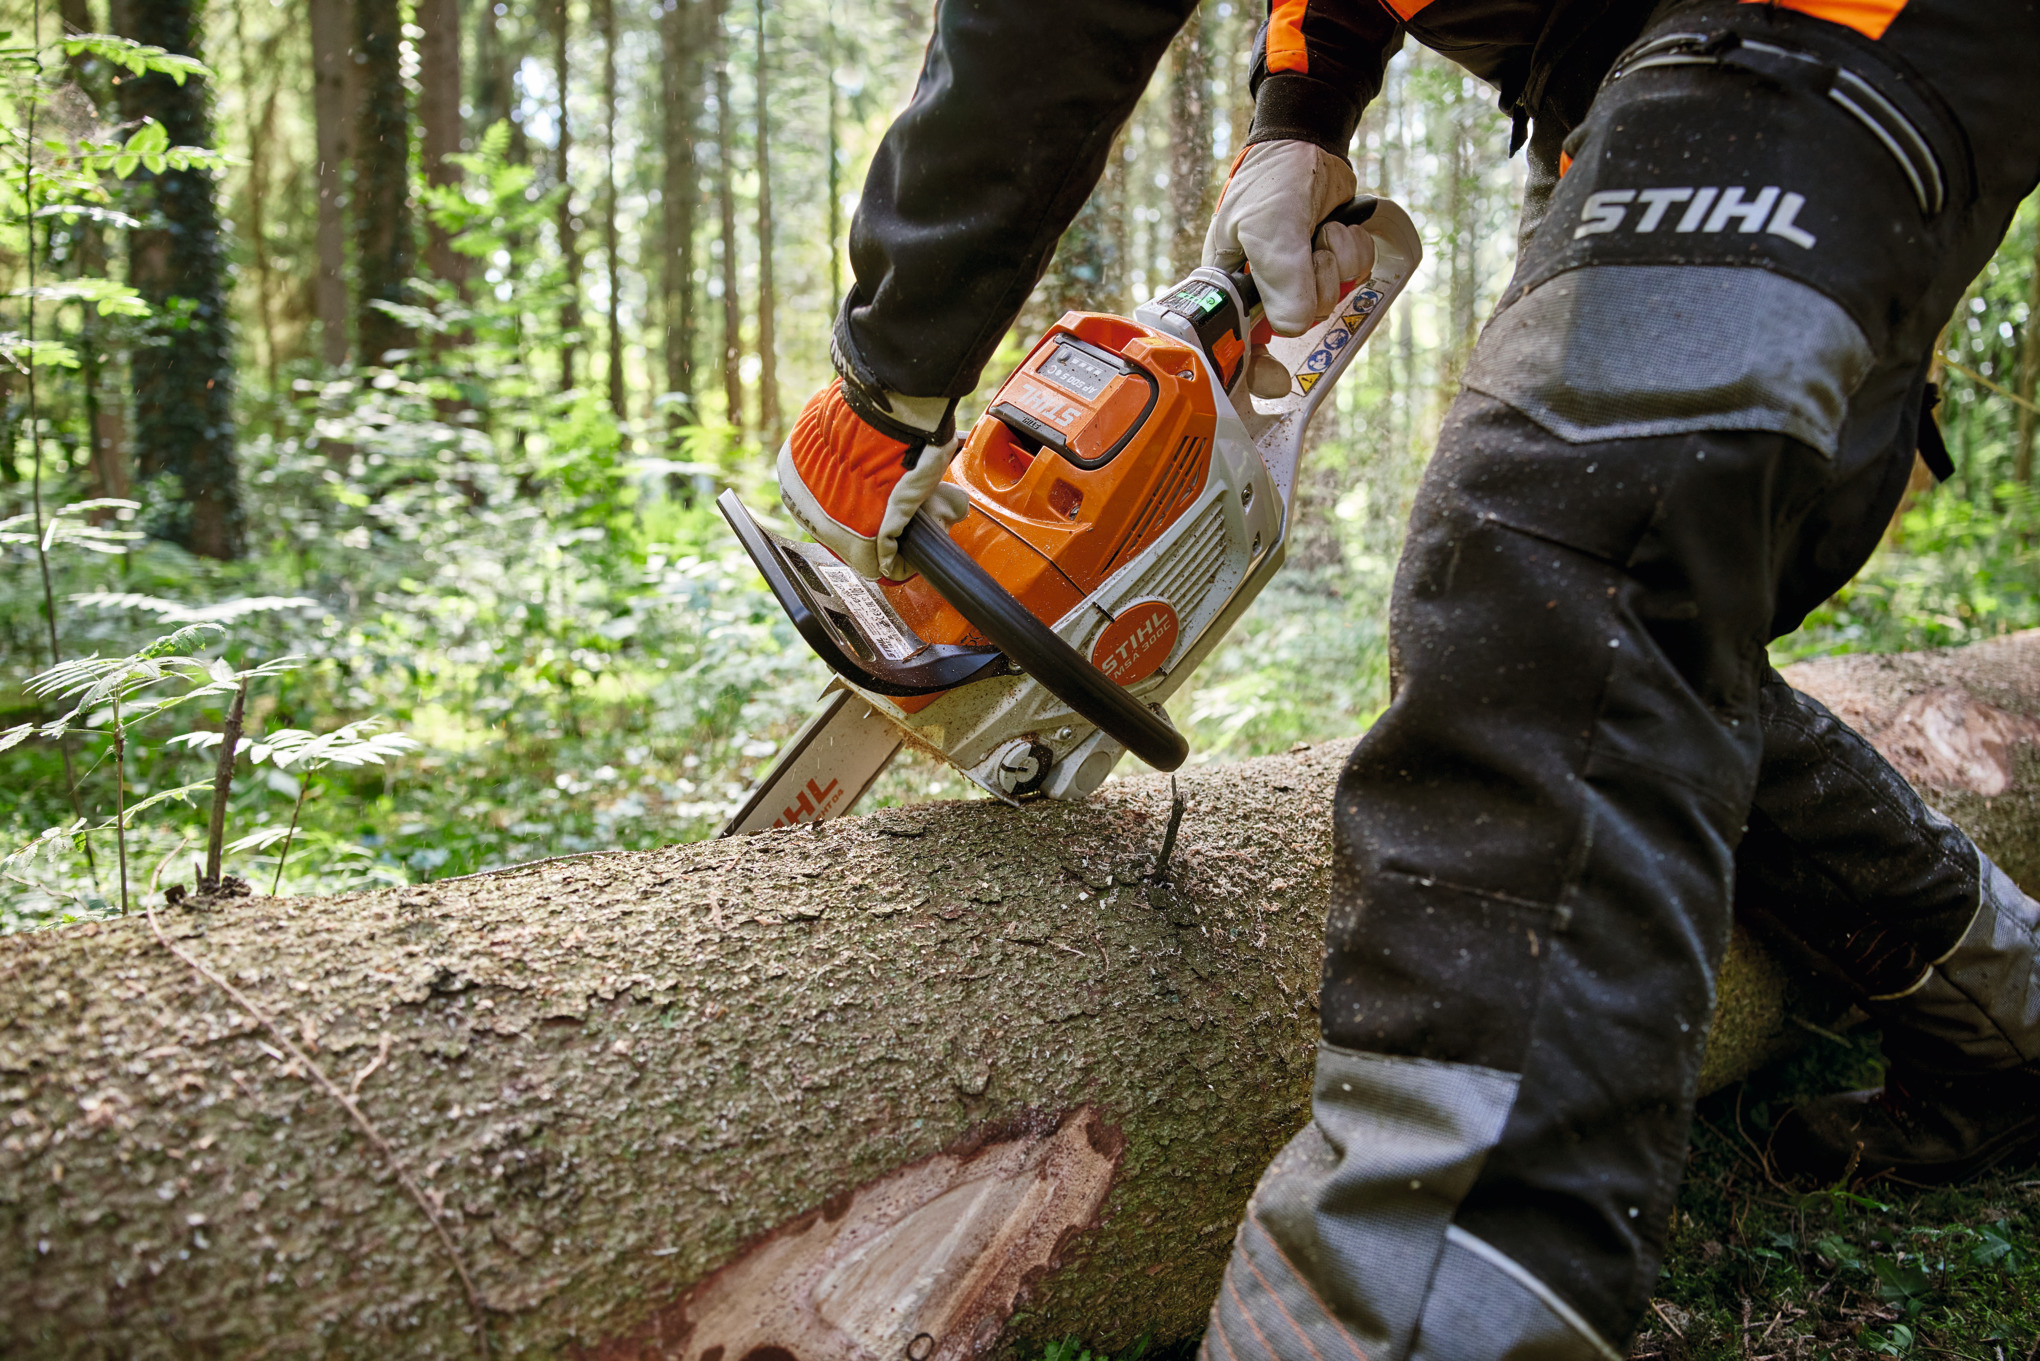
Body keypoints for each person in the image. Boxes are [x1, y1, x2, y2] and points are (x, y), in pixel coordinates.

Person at [776, 0, 2040, 1355]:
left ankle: (1404, 1319)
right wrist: (1300, 118)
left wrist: (889, 375)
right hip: (1614, 57)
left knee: (1571, 556)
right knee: (1583, 612)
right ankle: (2005, 1004)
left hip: (1837, 22)